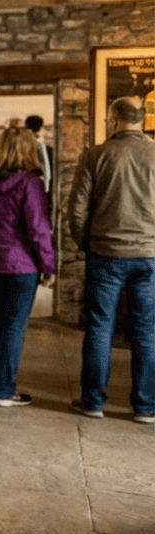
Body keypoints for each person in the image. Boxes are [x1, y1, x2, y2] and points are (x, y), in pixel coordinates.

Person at [66, 97, 155, 423]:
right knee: (147, 331)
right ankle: (146, 407)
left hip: (105, 253)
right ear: (141, 120)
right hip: (149, 255)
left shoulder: (96, 155)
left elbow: (76, 210)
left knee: (100, 329)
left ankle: (93, 402)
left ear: (114, 120)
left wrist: (86, 243)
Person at [0, 125, 55, 408]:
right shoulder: (30, 183)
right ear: (29, 150)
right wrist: (49, 265)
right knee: (13, 327)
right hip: (19, 264)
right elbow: (39, 229)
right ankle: (4, 390)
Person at [25, 115, 53, 196]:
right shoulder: (42, 146)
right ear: (41, 128)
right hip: (39, 186)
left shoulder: (21, 145)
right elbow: (47, 170)